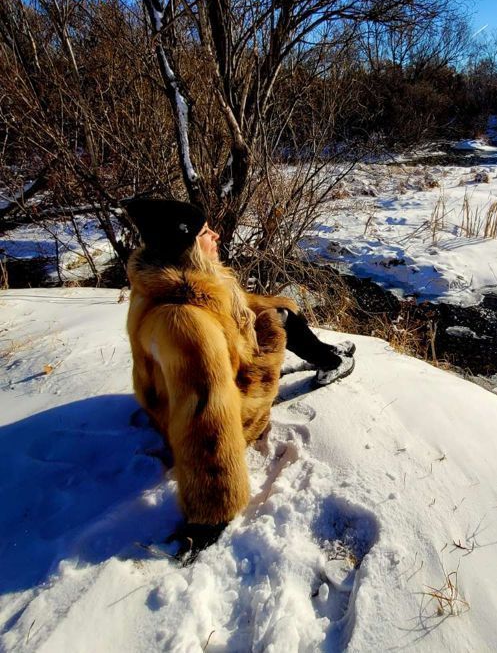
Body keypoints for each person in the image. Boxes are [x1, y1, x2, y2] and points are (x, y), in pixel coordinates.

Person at [124, 198, 354, 555]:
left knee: (275, 312)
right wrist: (211, 511)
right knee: (278, 323)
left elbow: (225, 306)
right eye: (203, 232)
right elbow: (206, 422)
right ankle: (332, 362)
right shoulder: (186, 325)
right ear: (185, 243)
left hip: (167, 401)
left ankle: (328, 356)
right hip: (222, 419)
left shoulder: (160, 281)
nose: (215, 234)